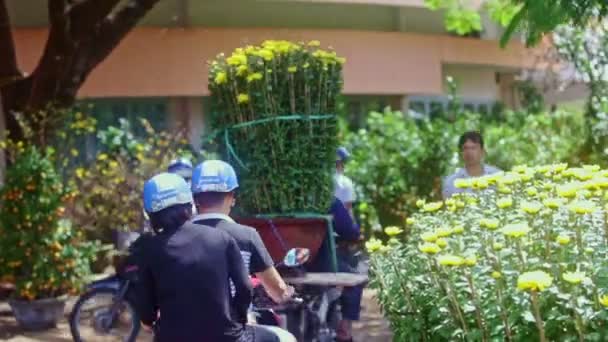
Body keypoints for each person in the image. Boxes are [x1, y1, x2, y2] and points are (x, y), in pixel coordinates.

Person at [133, 172, 277, 342]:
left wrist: (148, 321)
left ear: (150, 214)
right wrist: (238, 318)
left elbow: (145, 303)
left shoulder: (147, 250)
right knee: (277, 337)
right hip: (227, 337)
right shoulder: (220, 238)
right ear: (190, 205)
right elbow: (245, 287)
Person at [190, 160, 296, 342]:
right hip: (232, 332)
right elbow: (277, 291)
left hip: (184, 331)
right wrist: (287, 292)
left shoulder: (175, 238)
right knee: (286, 338)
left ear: (195, 198)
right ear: (232, 197)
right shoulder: (246, 236)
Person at [332, 147, 364, 342]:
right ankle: (344, 329)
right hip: (326, 252)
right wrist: (355, 233)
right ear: (340, 164)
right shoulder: (341, 185)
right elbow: (348, 224)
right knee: (355, 277)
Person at [442, 131, 501, 199]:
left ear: (482, 151)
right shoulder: (451, 182)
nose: (469, 152)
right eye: (465, 148)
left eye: (473, 148)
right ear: (461, 153)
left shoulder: (496, 175)